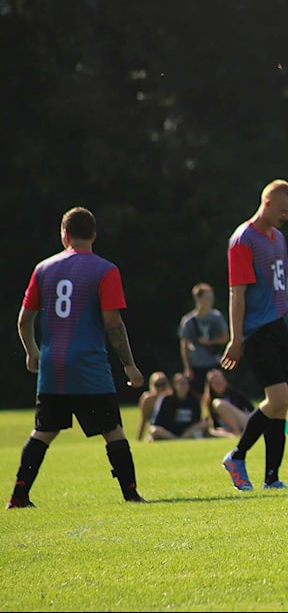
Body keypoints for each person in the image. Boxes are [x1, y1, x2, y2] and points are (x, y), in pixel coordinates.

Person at [7, 206, 146, 508]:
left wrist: (33, 352)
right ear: (94, 235)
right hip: (89, 367)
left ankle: (18, 495)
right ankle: (131, 493)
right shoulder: (105, 270)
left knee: (44, 431)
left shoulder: (43, 269)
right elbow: (113, 323)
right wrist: (129, 365)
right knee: (112, 430)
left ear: (64, 235)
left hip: (53, 367)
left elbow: (23, 320)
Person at [220, 179, 288, 491]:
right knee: (278, 398)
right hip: (256, 330)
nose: (287, 217)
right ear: (266, 204)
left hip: (278, 327)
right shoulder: (243, 241)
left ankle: (271, 478)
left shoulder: (278, 239)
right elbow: (237, 293)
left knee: (281, 405)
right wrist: (236, 339)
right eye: (283, 211)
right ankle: (236, 456)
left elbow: (286, 289)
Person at [178, 282, 229, 402]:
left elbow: (225, 337)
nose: (210, 301)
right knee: (197, 394)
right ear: (198, 298)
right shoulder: (188, 321)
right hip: (197, 363)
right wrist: (187, 368)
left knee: (217, 393)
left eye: (211, 298)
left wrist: (209, 342)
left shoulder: (216, 317)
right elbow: (184, 345)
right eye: (207, 298)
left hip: (213, 361)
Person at [146, 372, 209, 441]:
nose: (183, 386)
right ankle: (177, 439)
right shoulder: (166, 399)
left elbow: (197, 420)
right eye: (180, 383)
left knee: (204, 424)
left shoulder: (193, 399)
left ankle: (182, 438)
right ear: (174, 385)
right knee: (154, 430)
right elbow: (156, 423)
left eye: (185, 383)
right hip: (169, 432)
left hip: (188, 431)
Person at [202, 368, 255, 438]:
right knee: (211, 431)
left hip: (244, 420)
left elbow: (251, 409)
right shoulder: (209, 402)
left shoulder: (235, 394)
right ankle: (234, 434)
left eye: (221, 382)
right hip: (227, 427)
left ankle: (237, 431)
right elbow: (214, 424)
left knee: (219, 404)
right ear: (210, 385)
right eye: (216, 383)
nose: (219, 385)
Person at [137, 371, 172, 442]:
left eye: (163, 384)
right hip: (157, 430)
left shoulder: (171, 398)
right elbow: (144, 420)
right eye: (157, 385)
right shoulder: (148, 400)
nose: (161, 387)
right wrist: (139, 439)